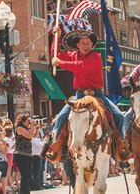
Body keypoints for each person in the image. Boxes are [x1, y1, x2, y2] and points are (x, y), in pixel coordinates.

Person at [47, 29, 129, 162]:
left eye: (87, 43)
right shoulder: (73, 55)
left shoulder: (96, 56)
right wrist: (56, 37)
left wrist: (60, 63)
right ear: (78, 45)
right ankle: (56, 148)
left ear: (92, 45)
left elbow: (81, 67)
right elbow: (56, 55)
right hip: (79, 95)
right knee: (61, 117)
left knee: (119, 116)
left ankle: (120, 147)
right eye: (82, 43)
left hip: (97, 94)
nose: (85, 45)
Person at [14, 114, 38, 194]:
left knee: (28, 176)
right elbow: (30, 136)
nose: (29, 122)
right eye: (28, 121)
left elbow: (34, 136)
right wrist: (31, 126)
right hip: (21, 155)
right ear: (23, 121)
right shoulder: (20, 128)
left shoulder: (26, 128)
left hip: (27, 155)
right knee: (25, 176)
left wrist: (36, 128)